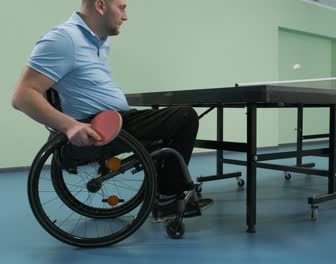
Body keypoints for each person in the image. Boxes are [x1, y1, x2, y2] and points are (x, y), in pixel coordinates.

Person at [11, 0, 212, 221]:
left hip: (117, 121)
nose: (125, 16)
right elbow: (22, 96)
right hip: (97, 128)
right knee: (185, 117)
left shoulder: (100, 42)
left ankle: (166, 187)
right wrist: (69, 126)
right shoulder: (64, 39)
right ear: (100, 5)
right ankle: (167, 199)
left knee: (167, 127)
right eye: (122, 7)